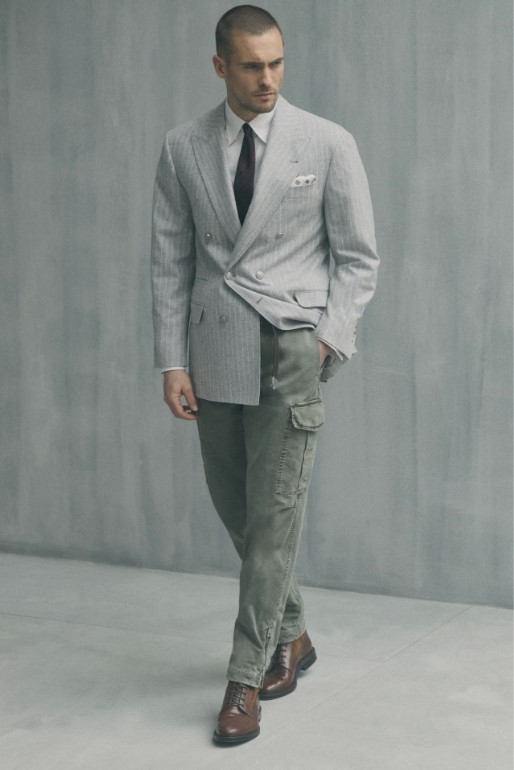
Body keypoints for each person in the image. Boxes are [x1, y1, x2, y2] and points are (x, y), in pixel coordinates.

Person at [151, 4, 379, 746]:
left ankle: (245, 678)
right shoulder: (183, 147)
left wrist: (327, 342)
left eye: (277, 62)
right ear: (220, 66)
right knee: (242, 514)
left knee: (274, 521)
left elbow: (358, 257)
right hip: (215, 353)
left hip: (289, 353)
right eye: (252, 66)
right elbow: (171, 260)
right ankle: (296, 634)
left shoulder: (327, 142)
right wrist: (172, 359)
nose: (268, 79)